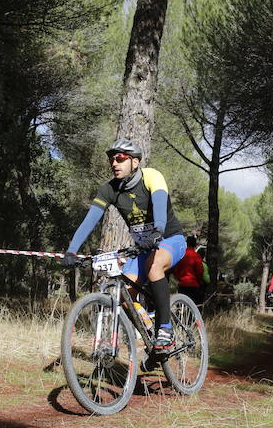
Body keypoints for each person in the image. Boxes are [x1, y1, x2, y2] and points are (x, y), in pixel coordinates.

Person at [61, 139, 186, 352]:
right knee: (124, 295)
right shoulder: (109, 189)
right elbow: (89, 221)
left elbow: (159, 204)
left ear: (135, 162)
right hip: (143, 247)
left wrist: (158, 231)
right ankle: (148, 331)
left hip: (169, 239)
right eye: (112, 159)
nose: (114, 163)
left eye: (120, 158)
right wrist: (72, 250)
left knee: (154, 267)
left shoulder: (152, 176)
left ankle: (165, 329)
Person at [173, 236, 205, 305]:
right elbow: (200, 271)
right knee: (196, 305)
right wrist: (199, 281)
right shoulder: (196, 256)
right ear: (195, 244)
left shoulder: (181, 255)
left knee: (181, 305)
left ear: (187, 244)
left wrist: (180, 279)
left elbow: (175, 270)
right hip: (193, 285)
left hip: (182, 285)